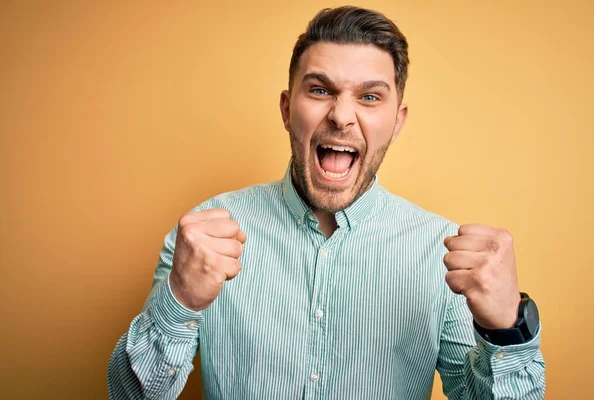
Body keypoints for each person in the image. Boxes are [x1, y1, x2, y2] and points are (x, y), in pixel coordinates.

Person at [108, 6, 545, 399]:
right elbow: (129, 396)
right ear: (286, 108)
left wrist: (505, 330)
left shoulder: (439, 250)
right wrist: (178, 301)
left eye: (370, 96)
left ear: (396, 122)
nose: (340, 115)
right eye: (319, 90)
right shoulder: (204, 235)